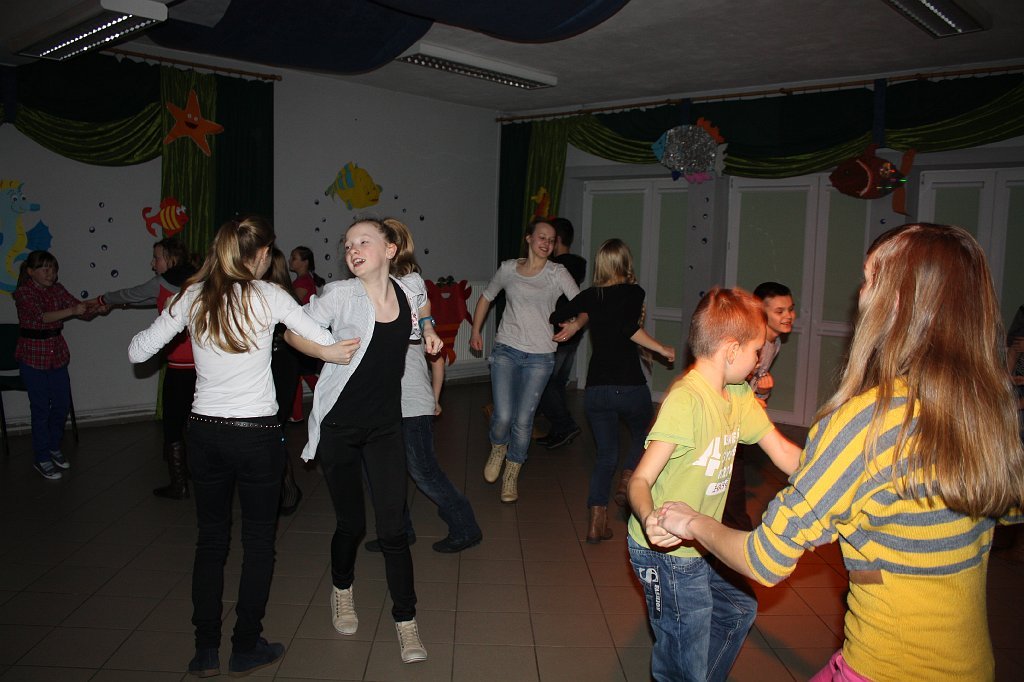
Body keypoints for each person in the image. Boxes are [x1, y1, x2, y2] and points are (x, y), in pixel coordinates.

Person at [657, 224, 1024, 682]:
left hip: (883, 669)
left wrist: (692, 521)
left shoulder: (869, 421)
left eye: (869, 280)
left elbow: (763, 558)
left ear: (897, 302)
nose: (860, 295)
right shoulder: (989, 410)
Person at [128, 216, 344, 678]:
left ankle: (205, 650)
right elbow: (322, 340)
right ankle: (245, 646)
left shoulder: (193, 295)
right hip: (256, 435)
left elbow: (137, 351)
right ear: (262, 255)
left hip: (204, 434)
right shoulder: (269, 295)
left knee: (211, 541)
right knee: (259, 543)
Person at [285, 217, 443, 664]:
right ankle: (341, 589)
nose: (353, 250)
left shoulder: (409, 288)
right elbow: (292, 331)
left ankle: (406, 621)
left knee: (394, 529)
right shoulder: (339, 295)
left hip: (385, 426)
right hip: (340, 426)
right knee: (352, 524)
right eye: (348, 244)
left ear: (390, 250)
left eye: (363, 242)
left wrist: (430, 329)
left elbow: (423, 307)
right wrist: (324, 351)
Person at [626, 287, 802, 682]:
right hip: (666, 551)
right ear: (731, 350)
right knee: (681, 658)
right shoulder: (686, 400)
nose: (759, 360)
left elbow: (784, 453)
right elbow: (640, 479)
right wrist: (650, 518)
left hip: (699, 544)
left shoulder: (737, 395)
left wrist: (836, 475)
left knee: (737, 609)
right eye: (756, 350)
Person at [550, 239, 675, 543]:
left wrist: (575, 321)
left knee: (606, 455)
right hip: (629, 385)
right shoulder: (634, 292)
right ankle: (628, 477)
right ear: (626, 263)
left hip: (597, 389)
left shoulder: (591, 296)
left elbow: (557, 315)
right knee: (645, 434)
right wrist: (661, 349)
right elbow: (629, 328)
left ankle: (596, 521)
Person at [365, 271, 484, 554]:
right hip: (382, 408)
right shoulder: (368, 308)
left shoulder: (412, 309)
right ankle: (398, 532)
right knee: (384, 474)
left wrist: (434, 398)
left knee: (424, 472)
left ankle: (466, 527)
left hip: (413, 406)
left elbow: (438, 359)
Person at [469, 218, 582, 503]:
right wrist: (475, 330)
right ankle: (498, 447)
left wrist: (576, 325)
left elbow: (584, 305)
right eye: (542, 237)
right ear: (529, 238)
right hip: (506, 349)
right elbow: (486, 297)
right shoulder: (508, 269)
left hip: (540, 356)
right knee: (503, 415)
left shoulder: (557, 273)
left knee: (523, 419)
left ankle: (512, 471)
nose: (547, 243)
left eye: (551, 240)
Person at [92, 237, 197, 498]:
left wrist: (104, 298)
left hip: (179, 368)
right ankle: (199, 474)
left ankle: (179, 484)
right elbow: (142, 298)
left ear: (171, 258)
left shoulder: (161, 283)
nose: (153, 263)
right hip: (205, 368)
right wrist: (116, 303)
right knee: (198, 422)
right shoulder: (199, 280)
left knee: (173, 425)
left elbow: (132, 294)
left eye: (157, 257)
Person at [14, 250, 103, 480]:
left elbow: (78, 308)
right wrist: (73, 311)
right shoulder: (24, 292)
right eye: (45, 268)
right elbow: (41, 316)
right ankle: (41, 456)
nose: (50, 273)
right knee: (41, 409)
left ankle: (53, 446)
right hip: (33, 357)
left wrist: (97, 307)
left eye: (53, 269)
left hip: (57, 355)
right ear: (30, 271)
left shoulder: (57, 289)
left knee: (62, 404)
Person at [723, 281, 796, 531]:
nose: (788, 316)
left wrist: (762, 393)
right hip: (727, 418)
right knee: (730, 484)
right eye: (779, 311)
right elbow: (725, 381)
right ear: (761, 312)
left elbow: (753, 385)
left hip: (743, 417)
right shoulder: (753, 342)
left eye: (790, 309)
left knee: (730, 481)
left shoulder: (774, 343)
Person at [535, 217, 587, 449]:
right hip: (573, 331)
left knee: (545, 383)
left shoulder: (554, 268)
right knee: (556, 383)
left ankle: (564, 424)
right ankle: (559, 428)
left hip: (557, 333)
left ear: (556, 240)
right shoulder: (577, 265)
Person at [264, 248, 305, 515]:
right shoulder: (260, 294)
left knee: (273, 429)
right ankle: (280, 486)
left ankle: (287, 486)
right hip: (273, 366)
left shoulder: (281, 297)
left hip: (281, 365)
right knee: (270, 430)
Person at [286, 246, 325, 421]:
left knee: (299, 374)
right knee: (303, 374)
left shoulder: (303, 282)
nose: (290, 261)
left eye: (294, 258)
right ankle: (297, 414)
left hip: (302, 333)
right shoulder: (304, 280)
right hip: (303, 332)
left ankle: (297, 414)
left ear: (305, 262)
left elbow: (293, 306)